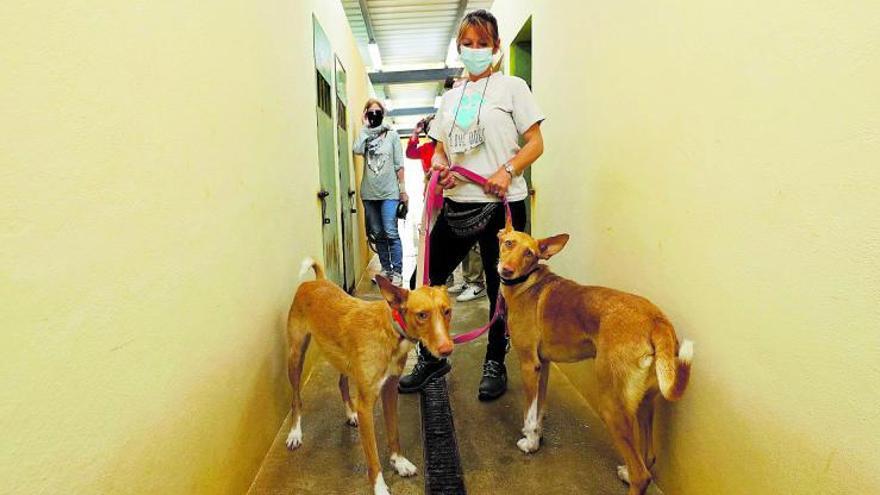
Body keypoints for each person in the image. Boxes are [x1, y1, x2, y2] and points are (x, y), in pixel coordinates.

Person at [398, 9, 545, 400]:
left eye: (483, 43)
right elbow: (443, 151)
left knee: (503, 290)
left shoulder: (512, 88)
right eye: (469, 44)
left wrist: (507, 169)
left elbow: (536, 143)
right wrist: (441, 170)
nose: (476, 50)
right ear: (459, 47)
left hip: (502, 205)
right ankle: (431, 356)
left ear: (496, 48)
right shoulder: (451, 98)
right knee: (422, 283)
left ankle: (495, 359)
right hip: (458, 203)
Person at [353, 99, 406, 287]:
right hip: (369, 193)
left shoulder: (391, 135)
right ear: (366, 115)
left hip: (389, 193)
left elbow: (399, 164)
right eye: (371, 112)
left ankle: (398, 271)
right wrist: (365, 128)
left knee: (391, 231)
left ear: (382, 114)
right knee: (378, 233)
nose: (375, 115)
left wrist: (403, 190)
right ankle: (386, 269)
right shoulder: (365, 135)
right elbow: (356, 149)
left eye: (378, 112)